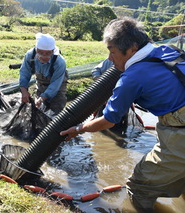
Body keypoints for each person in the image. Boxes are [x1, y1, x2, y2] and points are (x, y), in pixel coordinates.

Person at [60, 17, 185, 212]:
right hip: (178, 122)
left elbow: (109, 120)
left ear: (133, 49)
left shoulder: (132, 77)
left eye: (112, 51)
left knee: (140, 186)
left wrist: (78, 128)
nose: (110, 58)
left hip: (180, 131)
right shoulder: (169, 51)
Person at [19, 33, 68, 115]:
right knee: (39, 112)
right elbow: (24, 73)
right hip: (41, 86)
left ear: (52, 51)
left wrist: (42, 98)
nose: (43, 56)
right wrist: (24, 91)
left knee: (55, 115)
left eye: (48, 53)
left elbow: (55, 84)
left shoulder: (59, 62)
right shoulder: (30, 55)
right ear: (36, 49)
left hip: (57, 89)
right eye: (40, 52)